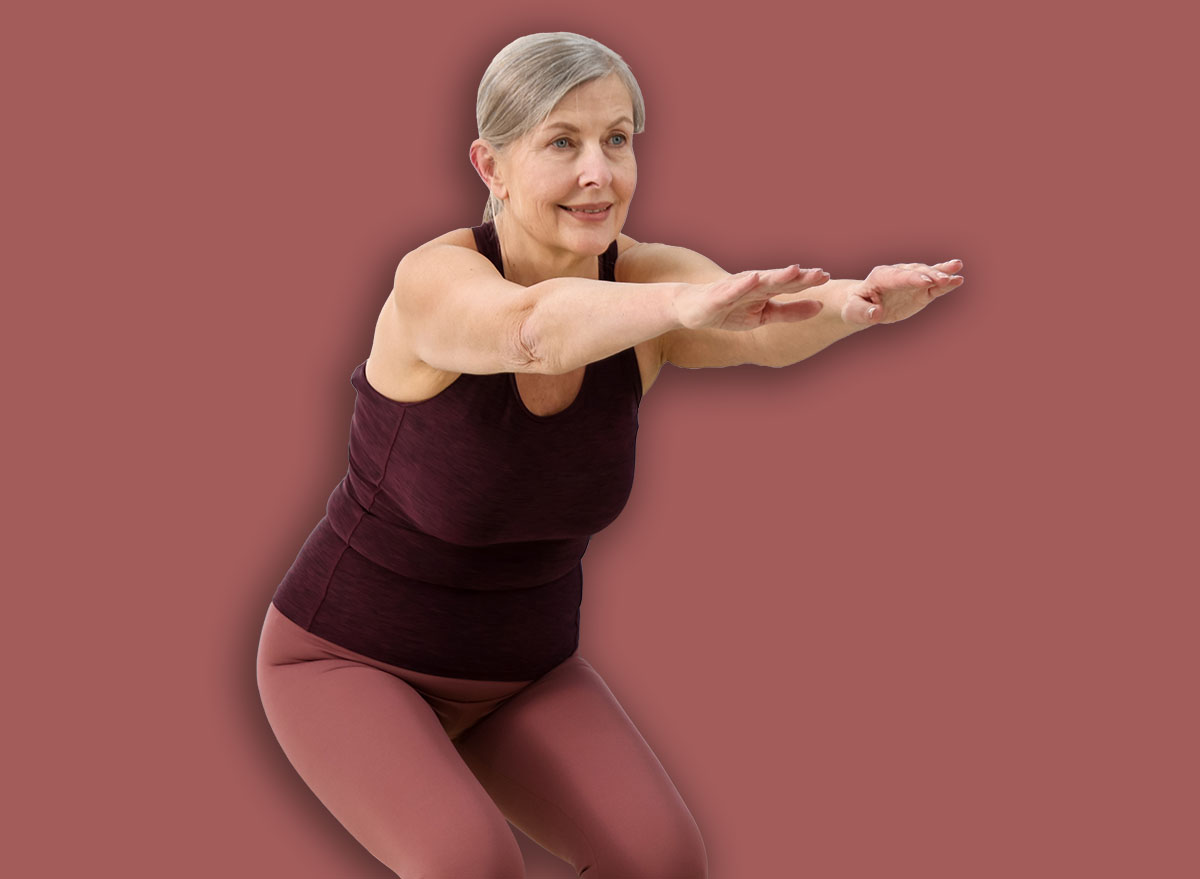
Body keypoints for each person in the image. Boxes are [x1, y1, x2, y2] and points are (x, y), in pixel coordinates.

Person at [255, 31, 965, 879]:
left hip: (522, 671)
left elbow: (761, 332)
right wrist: (679, 305)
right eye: (563, 142)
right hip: (345, 657)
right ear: (492, 166)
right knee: (468, 866)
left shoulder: (652, 288)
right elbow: (530, 332)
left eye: (618, 140)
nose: (601, 172)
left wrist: (857, 305)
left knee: (663, 860)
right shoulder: (431, 285)